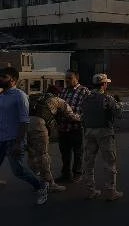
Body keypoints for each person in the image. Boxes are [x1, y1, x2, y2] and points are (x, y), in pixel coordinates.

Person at [0, 67, 49, 205]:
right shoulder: (1, 95)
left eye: (3, 76)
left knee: (18, 171)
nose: (0, 79)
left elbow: (24, 121)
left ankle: (41, 186)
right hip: (1, 138)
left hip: (13, 140)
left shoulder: (20, 96)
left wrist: (18, 143)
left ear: (13, 80)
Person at [28, 85, 79, 193]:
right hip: (39, 126)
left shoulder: (36, 97)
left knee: (32, 154)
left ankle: (39, 179)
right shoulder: (57, 100)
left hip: (26, 125)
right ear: (58, 94)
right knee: (43, 156)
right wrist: (81, 118)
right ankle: (49, 184)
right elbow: (71, 115)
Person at [80, 73, 123, 201]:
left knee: (89, 161)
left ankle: (90, 190)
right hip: (104, 131)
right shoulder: (107, 98)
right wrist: (119, 103)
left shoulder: (86, 97)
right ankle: (110, 191)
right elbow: (119, 114)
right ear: (104, 84)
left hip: (89, 131)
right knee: (109, 162)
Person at [57, 69, 90, 183]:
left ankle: (77, 173)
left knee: (78, 152)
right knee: (64, 153)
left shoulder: (84, 91)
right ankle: (65, 174)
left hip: (76, 128)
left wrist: (74, 117)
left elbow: (87, 112)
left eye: (70, 78)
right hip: (63, 128)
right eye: (66, 78)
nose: (67, 80)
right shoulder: (63, 91)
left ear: (77, 78)